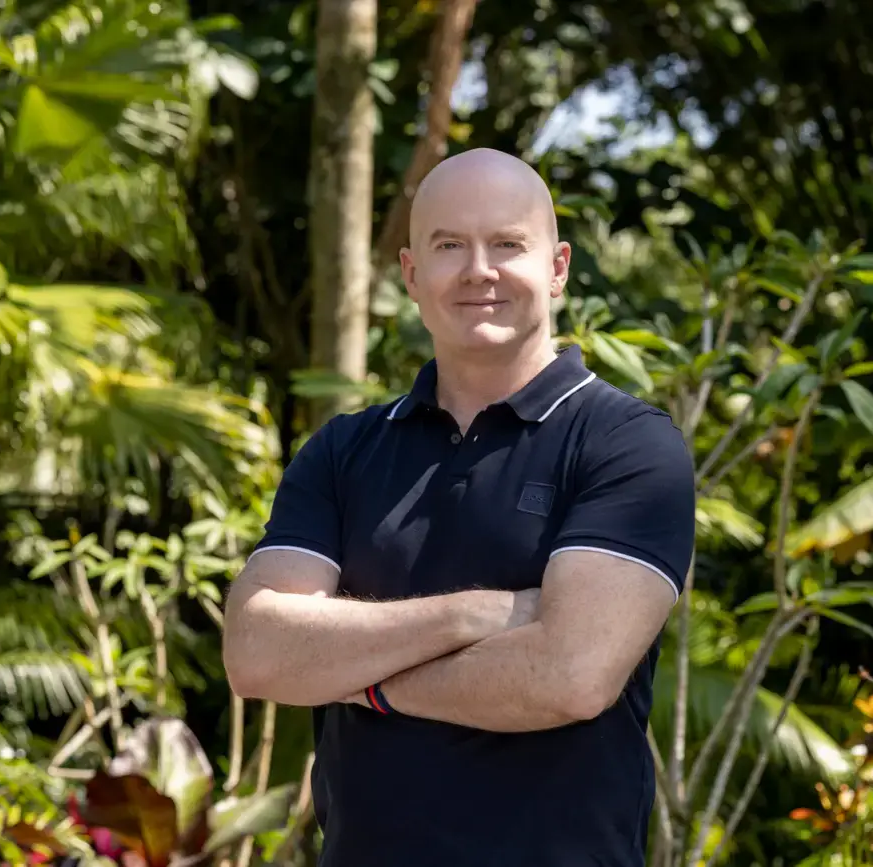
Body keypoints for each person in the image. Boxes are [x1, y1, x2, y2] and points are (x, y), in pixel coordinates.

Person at [222, 148, 697, 866]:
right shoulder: (344, 450)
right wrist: (477, 615)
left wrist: (357, 679)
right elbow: (257, 652)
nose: (480, 269)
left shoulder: (627, 442)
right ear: (412, 273)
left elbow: (569, 676)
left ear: (558, 267)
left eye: (508, 243)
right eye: (450, 246)